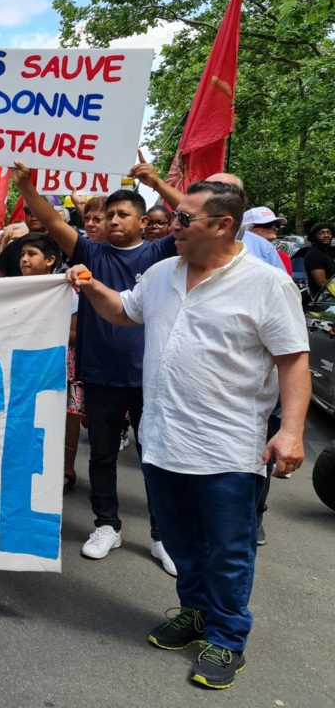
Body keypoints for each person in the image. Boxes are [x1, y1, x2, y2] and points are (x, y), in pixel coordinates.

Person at [67, 179, 310, 690]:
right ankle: (195, 612)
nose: (169, 227)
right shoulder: (160, 274)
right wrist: (90, 286)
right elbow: (123, 311)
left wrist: (290, 432)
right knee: (180, 539)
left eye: (182, 220)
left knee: (227, 547)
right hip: (162, 441)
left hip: (227, 447)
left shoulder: (267, 284)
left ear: (223, 225)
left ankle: (226, 636)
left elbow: (293, 361)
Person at [13, 158, 181, 575]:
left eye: (124, 214)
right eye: (109, 215)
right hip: (101, 372)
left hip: (150, 376)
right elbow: (52, 221)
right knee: (102, 455)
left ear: (144, 222)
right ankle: (107, 524)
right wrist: (27, 186)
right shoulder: (90, 251)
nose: (114, 221)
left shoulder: (162, 253)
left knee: (155, 456)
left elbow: (194, 214)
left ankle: (163, 535)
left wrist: (158, 181)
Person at [18, 233, 80, 493]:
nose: (24, 260)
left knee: (65, 415)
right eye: (22, 254)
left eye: (31, 254)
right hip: (26, 361)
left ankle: (65, 468)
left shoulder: (66, 291)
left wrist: (43, 329)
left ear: (50, 260)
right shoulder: (12, 290)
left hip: (59, 361)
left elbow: (76, 335)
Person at [0, 195, 52, 277]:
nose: (33, 214)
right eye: (28, 211)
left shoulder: (63, 245)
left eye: (38, 209)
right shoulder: (12, 247)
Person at [239, 206, 287, 272]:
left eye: (276, 224)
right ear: (249, 228)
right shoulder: (240, 252)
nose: (273, 227)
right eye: (267, 224)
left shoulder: (283, 257)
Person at [303, 221, 335, 298]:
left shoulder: (327, 251)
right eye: (321, 233)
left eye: (328, 232)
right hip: (324, 301)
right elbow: (322, 283)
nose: (326, 235)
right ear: (314, 236)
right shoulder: (314, 254)